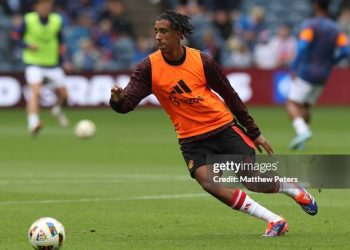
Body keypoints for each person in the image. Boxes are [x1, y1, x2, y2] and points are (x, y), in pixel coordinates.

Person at [110, 10, 318, 237]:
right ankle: (274, 220)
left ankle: (291, 188)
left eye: (163, 31)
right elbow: (126, 104)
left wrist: (254, 132)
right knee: (209, 183)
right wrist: (117, 99)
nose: (158, 37)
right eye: (156, 32)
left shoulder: (202, 61)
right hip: (191, 139)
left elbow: (230, 96)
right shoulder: (148, 68)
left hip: (224, 129)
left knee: (254, 182)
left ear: (178, 34)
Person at [286, 0, 349, 150]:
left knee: (291, 103)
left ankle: (302, 131)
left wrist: (295, 68)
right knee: (305, 106)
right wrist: (333, 61)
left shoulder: (310, 25)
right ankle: (301, 142)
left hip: (307, 71)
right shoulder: (336, 29)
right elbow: (346, 51)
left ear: (315, 7)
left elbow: (303, 46)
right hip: (323, 75)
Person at [19, 0, 70, 135]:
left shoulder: (57, 20)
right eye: (43, 4)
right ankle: (33, 123)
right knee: (35, 91)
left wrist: (64, 61)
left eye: (48, 4)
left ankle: (57, 109)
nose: (46, 7)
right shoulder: (28, 19)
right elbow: (15, 37)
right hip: (33, 63)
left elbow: (60, 42)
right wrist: (27, 45)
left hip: (52, 64)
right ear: (36, 6)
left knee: (65, 96)